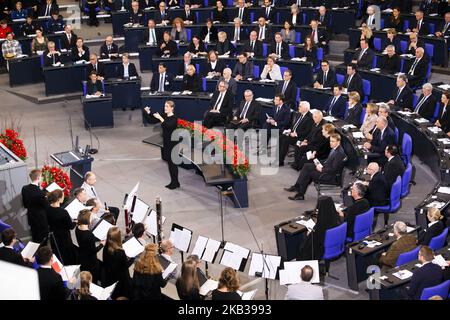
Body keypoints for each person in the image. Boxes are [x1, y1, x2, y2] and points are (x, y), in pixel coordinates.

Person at [287, 134, 346, 201]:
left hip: (330, 176)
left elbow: (334, 169)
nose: (331, 143)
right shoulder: (335, 149)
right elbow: (328, 160)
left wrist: (322, 169)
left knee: (308, 173)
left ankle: (300, 193)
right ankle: (298, 187)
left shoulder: (339, 153)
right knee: (307, 165)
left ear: (338, 142)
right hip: (326, 168)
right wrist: (318, 162)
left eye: (333, 141)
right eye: (330, 141)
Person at [144, 101, 180, 189]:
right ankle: (174, 182)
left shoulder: (174, 118)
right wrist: (148, 112)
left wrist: (160, 118)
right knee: (170, 163)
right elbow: (151, 120)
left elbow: (168, 126)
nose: (165, 108)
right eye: (165, 106)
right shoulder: (164, 116)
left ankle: (175, 183)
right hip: (167, 142)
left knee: (173, 164)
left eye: (167, 106)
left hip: (173, 143)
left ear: (172, 108)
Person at [46, 189, 76, 265]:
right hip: (64, 237)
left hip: (54, 237)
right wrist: (76, 222)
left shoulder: (47, 210)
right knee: (66, 255)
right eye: (63, 196)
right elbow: (71, 226)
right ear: (58, 199)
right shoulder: (63, 212)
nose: (64, 197)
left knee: (58, 254)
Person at [278, 101, 314, 166]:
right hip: (293, 134)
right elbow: (294, 125)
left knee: (285, 140)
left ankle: (280, 161)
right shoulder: (299, 114)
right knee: (281, 137)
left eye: (300, 106)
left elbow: (307, 132)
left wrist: (296, 134)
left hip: (300, 137)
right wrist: (290, 130)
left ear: (305, 108)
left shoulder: (310, 118)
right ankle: (279, 158)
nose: (298, 107)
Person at [103, 227, 133, 299]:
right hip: (121, 278)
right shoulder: (120, 252)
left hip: (110, 276)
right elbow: (126, 265)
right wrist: (132, 258)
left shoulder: (106, 247)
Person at [76, 209, 104, 282]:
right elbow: (94, 250)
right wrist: (101, 244)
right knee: (93, 277)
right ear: (87, 219)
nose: (92, 218)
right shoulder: (89, 234)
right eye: (91, 217)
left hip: (82, 256)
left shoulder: (77, 228)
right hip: (91, 261)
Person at [21, 169, 48, 243]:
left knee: (35, 240)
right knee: (43, 241)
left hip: (31, 218)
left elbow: (25, 205)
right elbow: (47, 207)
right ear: (38, 178)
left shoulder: (24, 188)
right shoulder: (40, 193)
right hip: (41, 221)